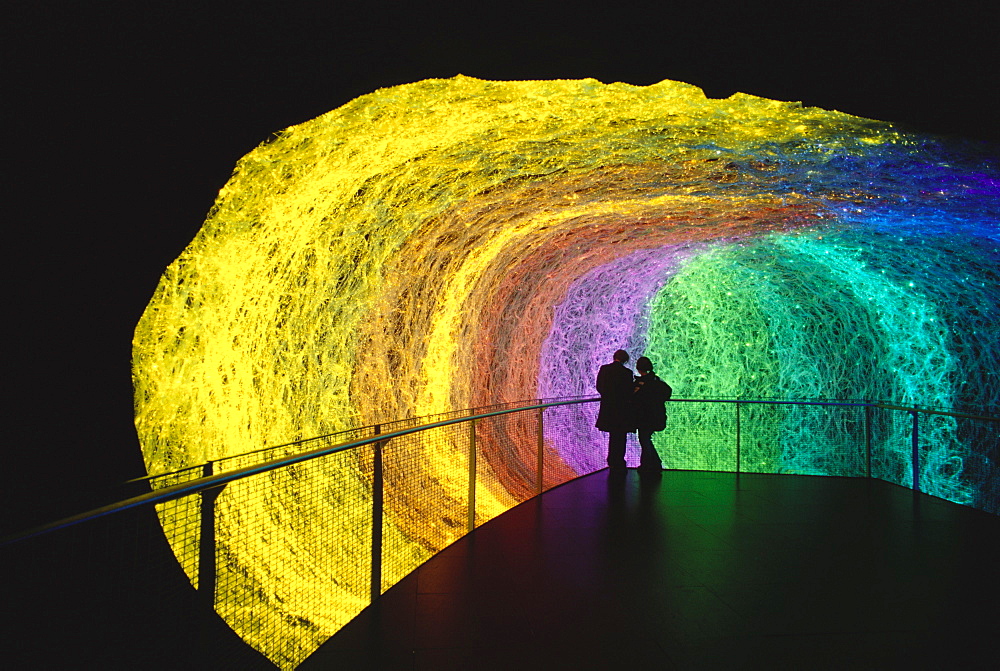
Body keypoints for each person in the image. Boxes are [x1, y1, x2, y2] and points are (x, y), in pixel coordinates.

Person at [632, 356, 672, 472]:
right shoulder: (657, 380)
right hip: (657, 416)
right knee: (646, 439)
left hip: (644, 418)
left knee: (644, 440)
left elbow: (634, 398)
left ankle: (650, 465)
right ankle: (654, 464)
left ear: (639, 369)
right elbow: (668, 392)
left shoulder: (641, 384)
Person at [596, 349, 634, 471]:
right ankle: (619, 461)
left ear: (614, 357)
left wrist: (607, 396)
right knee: (621, 436)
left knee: (612, 435)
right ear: (625, 360)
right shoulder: (627, 373)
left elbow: (599, 387)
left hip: (608, 408)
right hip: (622, 409)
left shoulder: (604, 369)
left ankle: (611, 461)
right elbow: (629, 391)